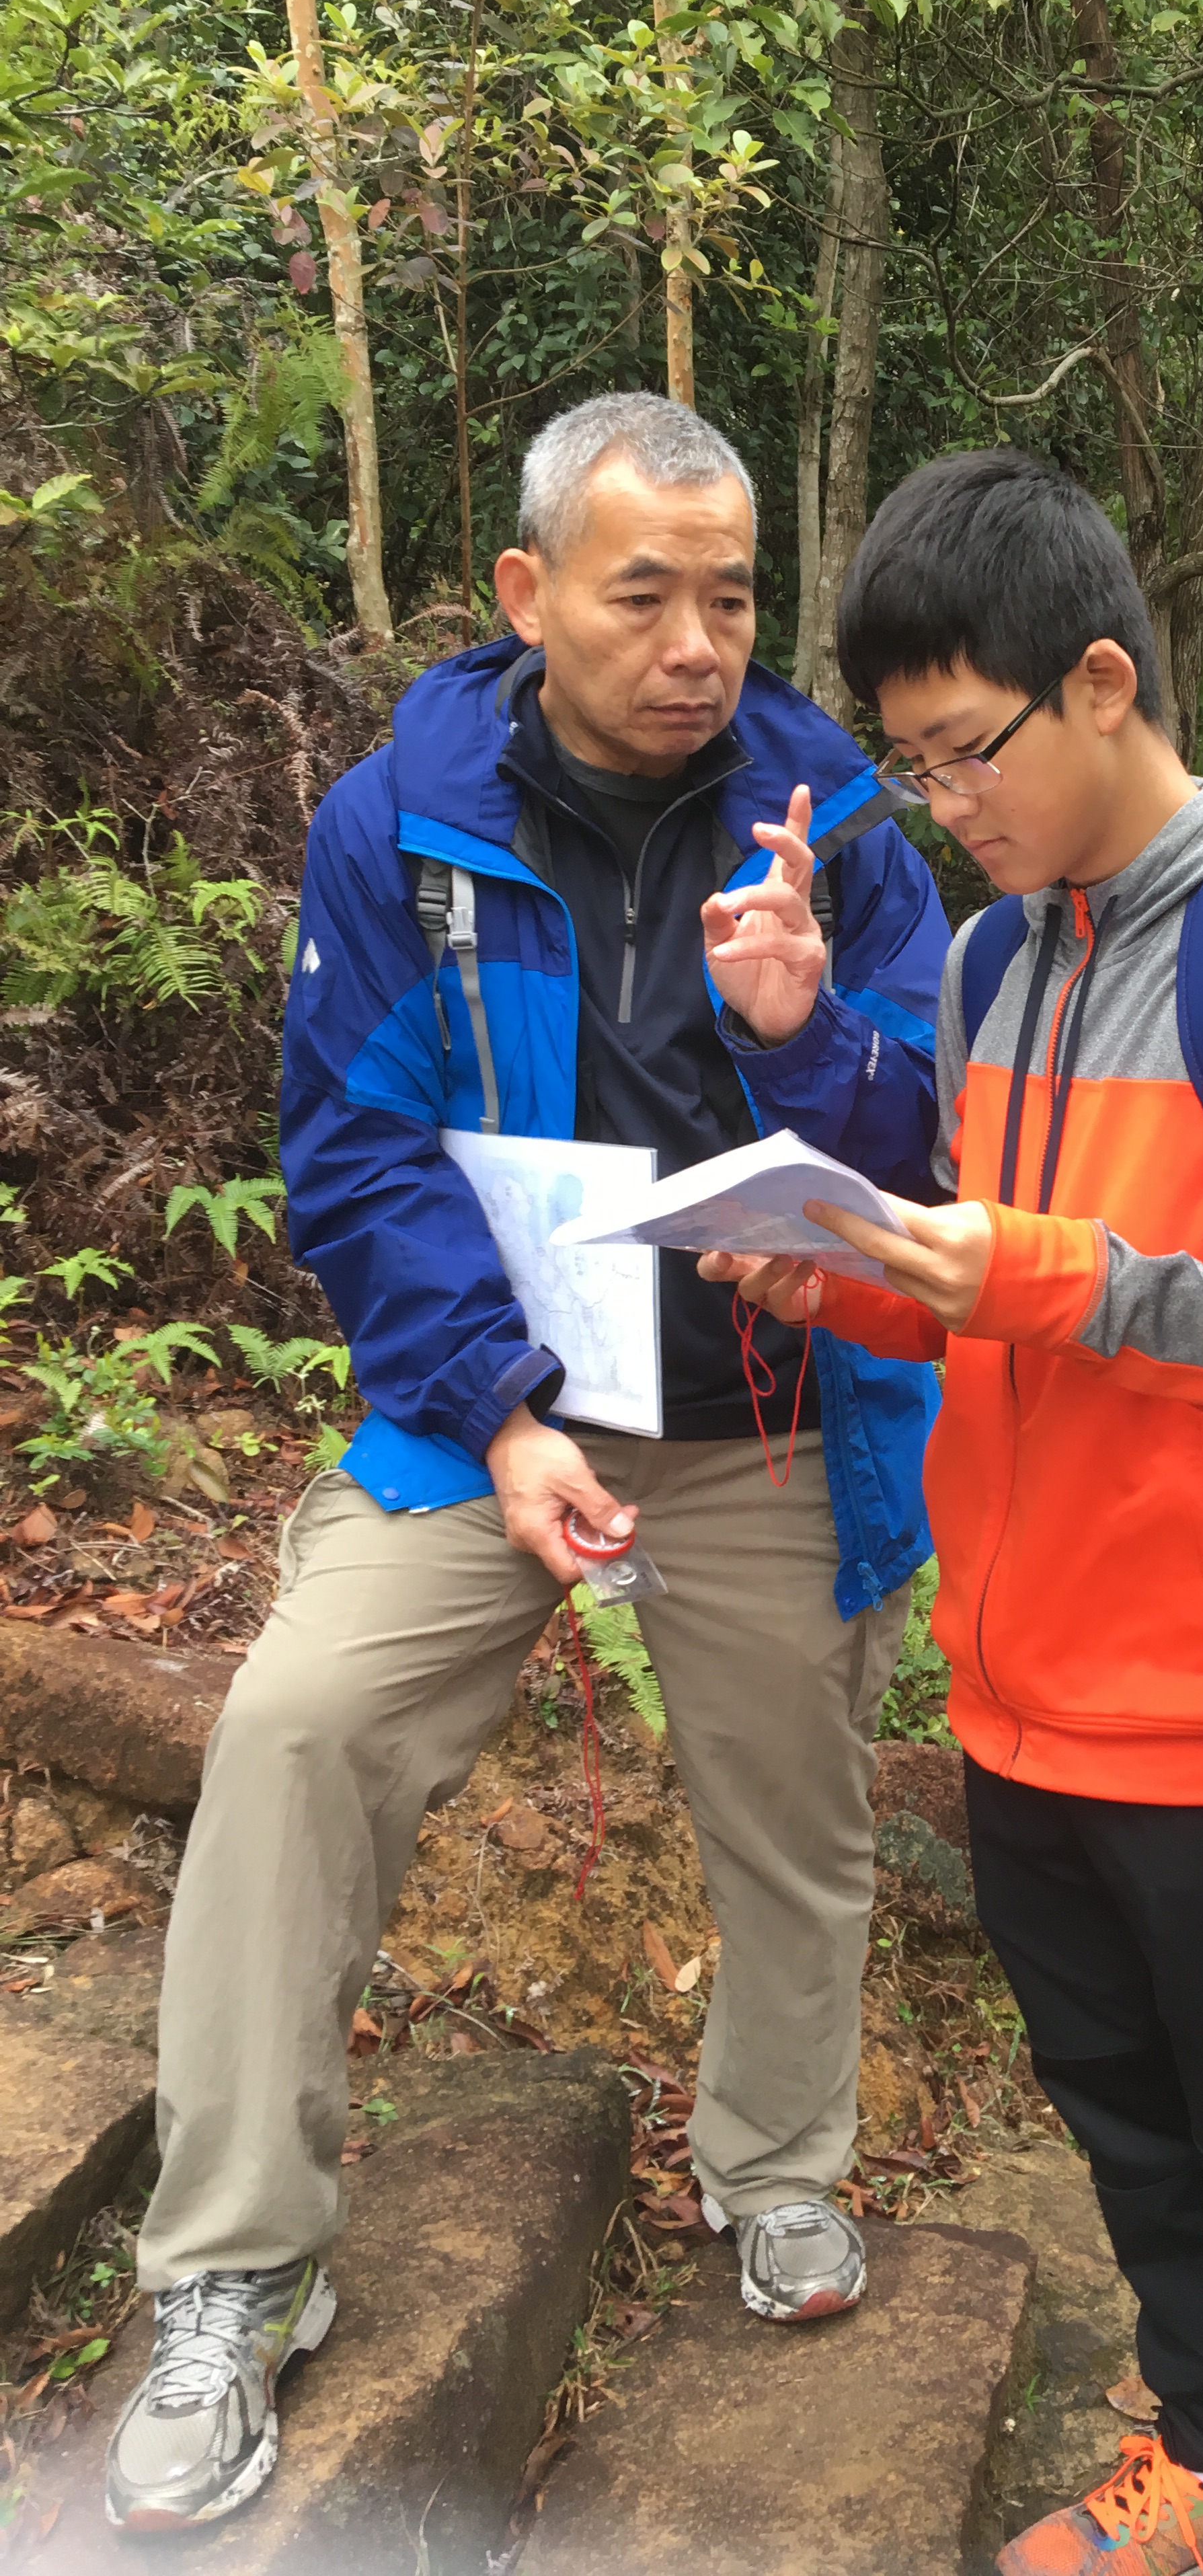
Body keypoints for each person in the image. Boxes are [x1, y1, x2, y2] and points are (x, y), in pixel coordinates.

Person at [105, 393, 949, 2532]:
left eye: (731, 598)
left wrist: (809, 1040)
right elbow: (356, 1146)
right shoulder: (403, 825)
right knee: (297, 1729)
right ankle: (234, 2264)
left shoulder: (838, 822)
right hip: (494, 1403)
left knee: (796, 1806)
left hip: (765, 1413)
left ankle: (779, 2165)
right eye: (643, 594)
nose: (696, 644)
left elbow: (935, 1144)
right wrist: (493, 1409)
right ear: (527, 592)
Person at [707, 448, 1203, 2576]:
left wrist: (1033, 1271)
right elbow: (993, 1288)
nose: (947, 803)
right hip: (1023, 1694)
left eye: (970, 751)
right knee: (1136, 2136)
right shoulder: (993, 959)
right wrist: (853, 1276)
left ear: (1103, 682)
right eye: (915, 766)